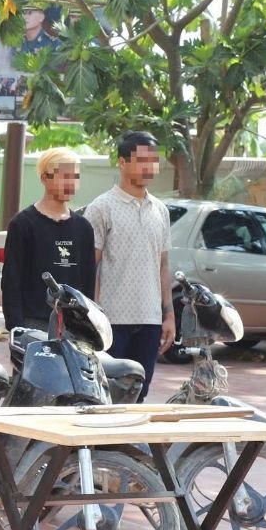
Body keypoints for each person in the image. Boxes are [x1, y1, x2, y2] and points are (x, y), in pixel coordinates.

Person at [83, 130, 175, 401]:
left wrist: (168, 315)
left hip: (149, 321)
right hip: (112, 321)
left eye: (153, 161)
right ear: (122, 162)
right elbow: (90, 268)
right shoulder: (101, 208)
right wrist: (93, 319)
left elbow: (163, 266)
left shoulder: (160, 210)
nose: (149, 167)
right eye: (141, 160)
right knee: (105, 394)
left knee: (140, 394)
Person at [0, 147, 96, 333]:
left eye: (75, 177)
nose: (71, 183)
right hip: (33, 323)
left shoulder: (83, 228)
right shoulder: (23, 223)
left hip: (73, 326)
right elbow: (11, 280)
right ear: (45, 178)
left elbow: (88, 283)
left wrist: (86, 325)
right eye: (64, 176)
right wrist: (16, 328)